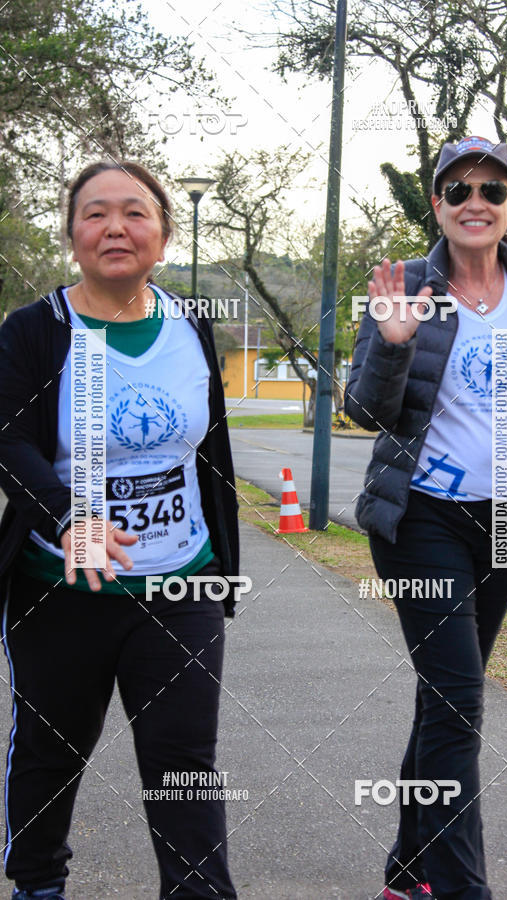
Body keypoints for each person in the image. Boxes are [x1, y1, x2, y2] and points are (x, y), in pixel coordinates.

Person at [345, 135, 507, 900]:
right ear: (438, 205)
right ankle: (462, 889)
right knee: (458, 704)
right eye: (458, 191)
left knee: (443, 701)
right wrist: (391, 344)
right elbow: (365, 410)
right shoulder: (408, 288)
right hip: (422, 515)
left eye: (492, 190)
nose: (476, 203)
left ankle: (405, 872)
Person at [0, 161, 239, 899]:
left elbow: (211, 450)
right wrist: (70, 517)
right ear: (73, 236)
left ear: (163, 236)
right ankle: (39, 883)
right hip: (61, 586)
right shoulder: (35, 331)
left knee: (184, 764)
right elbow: (10, 441)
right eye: (95, 213)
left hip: (180, 579)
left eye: (134, 213)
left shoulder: (191, 325)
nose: (115, 227)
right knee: (51, 751)